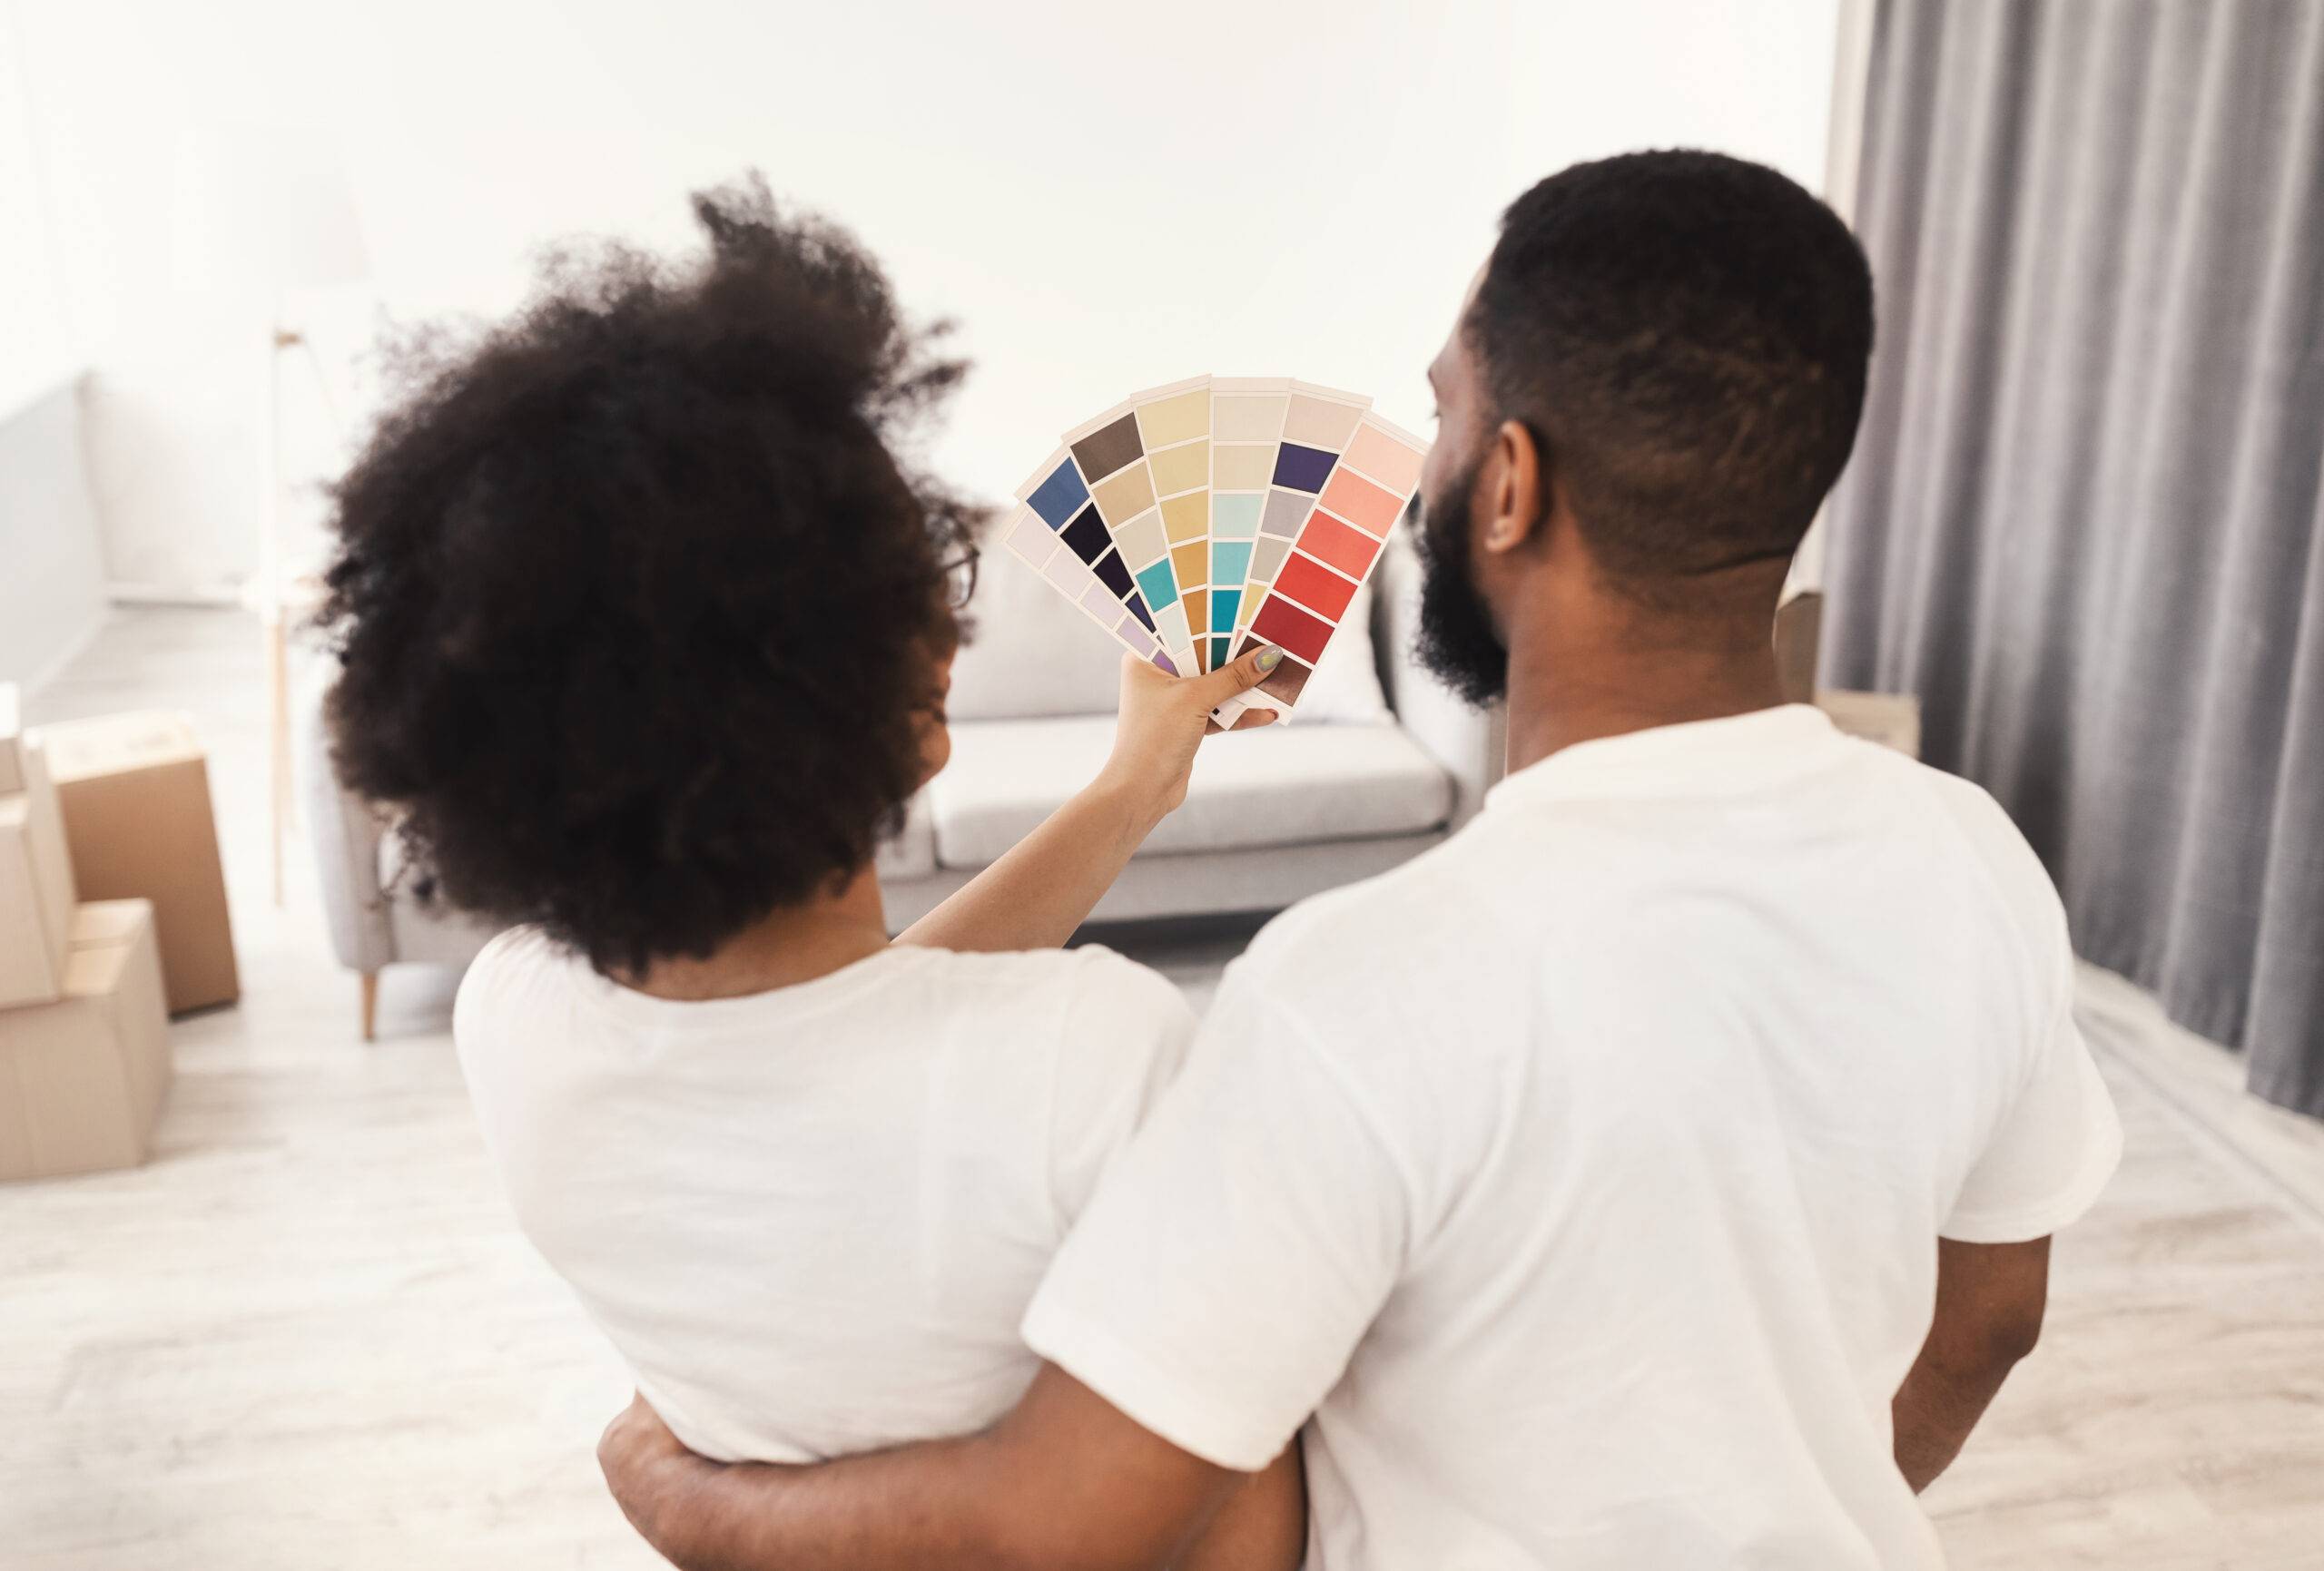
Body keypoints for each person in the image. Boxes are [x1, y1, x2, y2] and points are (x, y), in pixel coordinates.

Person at [595, 150, 2124, 1570]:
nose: (1417, 472)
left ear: (1513, 483)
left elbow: (1056, 1517)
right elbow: (1994, 1316)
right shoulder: (1975, 857)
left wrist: (679, 1489)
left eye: (1444, 416)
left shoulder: (1363, 986)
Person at [318, 177, 1303, 1570]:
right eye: (928, 591)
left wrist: (1132, 786)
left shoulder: (514, 1017)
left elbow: (868, 1029)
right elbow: (1230, 1513)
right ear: (882, 681)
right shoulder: (1100, 1057)